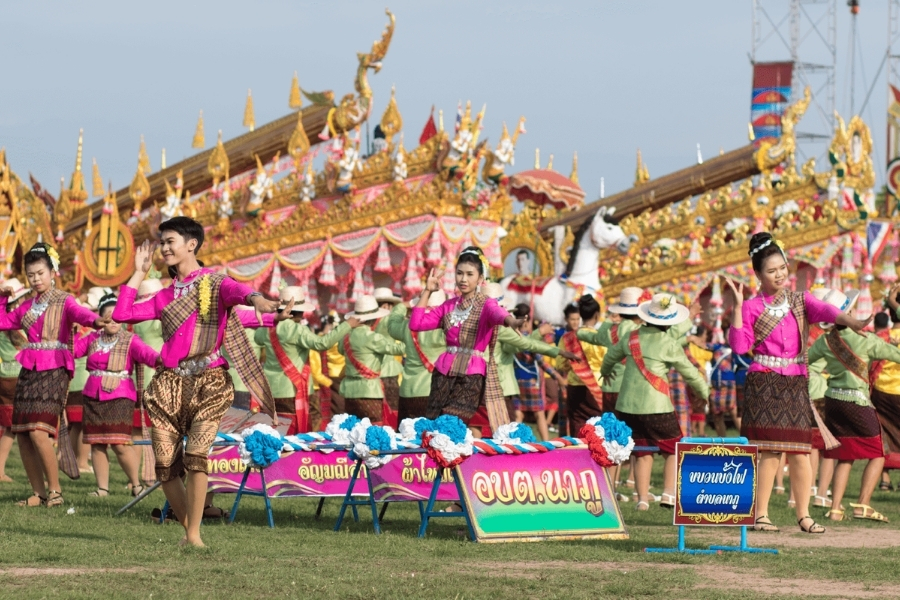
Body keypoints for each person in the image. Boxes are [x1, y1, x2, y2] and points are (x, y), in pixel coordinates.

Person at [113, 216, 286, 547]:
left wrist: (256, 299)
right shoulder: (164, 296)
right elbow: (122, 314)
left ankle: (194, 535)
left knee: (196, 456)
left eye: (170, 241)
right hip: (169, 385)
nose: (164, 248)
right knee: (165, 467)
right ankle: (188, 529)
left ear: (191, 244)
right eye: (162, 243)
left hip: (210, 383)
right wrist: (138, 272)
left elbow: (238, 291)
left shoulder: (214, 284)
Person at [726, 231, 870, 534]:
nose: (779, 274)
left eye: (782, 268)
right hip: (764, 384)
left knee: (801, 452)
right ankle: (761, 515)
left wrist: (852, 321)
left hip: (795, 384)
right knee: (770, 452)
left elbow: (827, 312)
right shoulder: (751, 307)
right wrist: (737, 310)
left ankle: (804, 516)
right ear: (758, 274)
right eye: (772, 271)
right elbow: (740, 347)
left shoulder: (800, 300)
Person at [0, 242, 111, 508]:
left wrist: (96, 320)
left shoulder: (64, 300)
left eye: (40, 273)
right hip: (29, 370)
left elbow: (80, 313)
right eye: (31, 275)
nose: (36, 279)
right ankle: (38, 493)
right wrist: (2, 298)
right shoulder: (27, 306)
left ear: (52, 272)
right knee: (22, 432)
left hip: (55, 369)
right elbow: (3, 322)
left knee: (39, 431)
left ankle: (55, 491)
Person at [600, 293, 708, 511]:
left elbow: (610, 357)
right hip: (657, 406)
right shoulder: (669, 343)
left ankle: (642, 500)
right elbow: (690, 373)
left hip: (627, 406)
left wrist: (606, 372)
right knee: (674, 448)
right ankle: (668, 493)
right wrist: (705, 392)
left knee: (641, 451)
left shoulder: (630, 337)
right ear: (669, 322)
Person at [808, 289, 899, 523]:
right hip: (857, 401)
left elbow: (805, 361)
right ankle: (863, 505)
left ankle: (835, 509)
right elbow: (896, 355)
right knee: (880, 452)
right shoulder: (866, 340)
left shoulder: (825, 340)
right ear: (849, 312)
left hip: (833, 402)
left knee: (844, 455)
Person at [409, 246, 522, 432]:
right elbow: (416, 324)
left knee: (451, 424)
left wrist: (511, 321)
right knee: (433, 424)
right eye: (460, 273)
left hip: (471, 374)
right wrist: (427, 291)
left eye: (470, 274)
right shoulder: (448, 306)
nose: (463, 279)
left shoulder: (486, 304)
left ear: (480, 278)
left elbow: (498, 313)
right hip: (443, 373)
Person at [75, 293, 159, 497]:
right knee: (97, 443)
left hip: (120, 396)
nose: (113, 321)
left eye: (117, 317)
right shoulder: (93, 338)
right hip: (93, 395)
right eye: (108, 317)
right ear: (101, 319)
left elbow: (147, 354)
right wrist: (70, 331)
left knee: (119, 443)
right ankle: (102, 489)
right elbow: (73, 351)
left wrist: (162, 359)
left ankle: (136, 485)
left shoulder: (131, 340)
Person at [255, 286, 354, 433]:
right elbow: (323, 343)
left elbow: (257, 339)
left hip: (270, 390)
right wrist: (348, 325)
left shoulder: (267, 327)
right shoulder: (297, 329)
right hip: (293, 389)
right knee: (301, 429)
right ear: (298, 312)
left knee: (275, 430)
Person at [485, 290, 574, 439]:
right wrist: (557, 375)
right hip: (530, 382)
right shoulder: (513, 335)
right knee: (539, 414)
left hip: (516, 381)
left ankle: (514, 440)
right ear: (527, 320)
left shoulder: (507, 332)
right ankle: (545, 442)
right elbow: (537, 356)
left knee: (517, 415)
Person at [339, 294, 404, 424]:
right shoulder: (373, 338)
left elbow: (341, 350)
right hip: (370, 392)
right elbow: (399, 349)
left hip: (349, 392)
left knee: (353, 430)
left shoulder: (345, 338)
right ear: (374, 319)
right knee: (374, 430)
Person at [386, 291, 448, 422]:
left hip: (407, 390)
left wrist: (403, 305)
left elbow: (392, 324)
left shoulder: (406, 326)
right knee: (432, 433)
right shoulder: (445, 328)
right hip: (435, 391)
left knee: (406, 433)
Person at [557, 295, 607, 436]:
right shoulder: (601, 337)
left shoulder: (567, 338)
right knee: (599, 428)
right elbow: (608, 363)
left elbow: (560, 365)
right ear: (597, 315)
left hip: (575, 386)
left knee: (577, 425)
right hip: (597, 387)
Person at [0, 278, 28, 483]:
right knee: (27, 427)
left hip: (5, 375)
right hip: (19, 375)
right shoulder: (15, 323)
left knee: (11, 427)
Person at [373, 288, 404, 423]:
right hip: (389, 371)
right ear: (386, 306)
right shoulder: (388, 321)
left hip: (371, 371)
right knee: (393, 408)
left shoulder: (368, 321)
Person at [686, 325, 713, 437]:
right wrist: (703, 371)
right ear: (701, 334)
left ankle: (694, 429)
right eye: (705, 334)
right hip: (697, 378)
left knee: (696, 405)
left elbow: (708, 356)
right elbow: (707, 356)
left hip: (694, 378)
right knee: (700, 405)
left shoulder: (694, 346)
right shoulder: (693, 346)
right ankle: (700, 431)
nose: (706, 336)